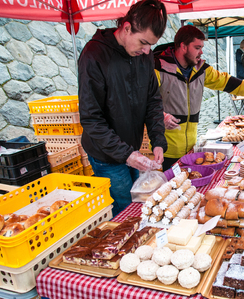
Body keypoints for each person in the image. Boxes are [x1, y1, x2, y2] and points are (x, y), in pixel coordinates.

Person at [78, 0, 168, 216]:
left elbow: (153, 102)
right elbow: (91, 119)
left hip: (132, 148)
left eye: (151, 45)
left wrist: (158, 141)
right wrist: (126, 154)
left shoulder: (144, 57)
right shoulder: (94, 55)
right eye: (143, 42)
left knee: (139, 204)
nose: (147, 51)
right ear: (126, 28)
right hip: (106, 154)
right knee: (125, 210)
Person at [154, 25, 244, 170]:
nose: (201, 52)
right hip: (165, 150)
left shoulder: (200, 69)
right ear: (183, 46)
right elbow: (143, 102)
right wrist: (161, 116)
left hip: (191, 147)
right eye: (197, 47)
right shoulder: (158, 68)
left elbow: (228, 82)